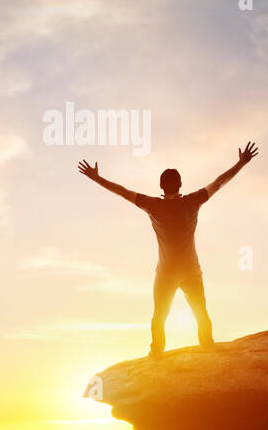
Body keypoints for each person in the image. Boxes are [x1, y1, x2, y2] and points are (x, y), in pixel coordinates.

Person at [78, 143, 258, 356]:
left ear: (161, 187)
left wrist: (97, 178)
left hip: (165, 273)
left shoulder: (153, 205)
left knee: (159, 316)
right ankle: (207, 345)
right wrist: (241, 163)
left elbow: (123, 192)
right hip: (191, 271)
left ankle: (156, 353)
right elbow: (219, 182)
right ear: (180, 184)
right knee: (200, 312)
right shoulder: (193, 201)